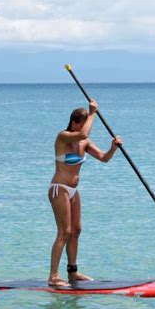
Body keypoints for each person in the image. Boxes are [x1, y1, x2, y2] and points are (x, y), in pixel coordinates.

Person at [48, 99, 122, 286]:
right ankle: (53, 276)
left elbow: (104, 158)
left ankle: (73, 272)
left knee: (76, 231)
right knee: (63, 232)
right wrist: (93, 113)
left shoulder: (84, 142)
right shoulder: (63, 137)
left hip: (73, 190)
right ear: (74, 123)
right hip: (60, 189)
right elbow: (83, 133)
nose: (85, 130)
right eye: (82, 123)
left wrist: (113, 148)